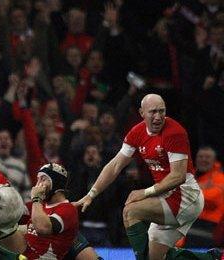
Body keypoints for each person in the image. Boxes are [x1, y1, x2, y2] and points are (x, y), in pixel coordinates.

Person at [75, 94, 221, 260]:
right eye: (153, 112)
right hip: (166, 196)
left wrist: (144, 193)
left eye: (162, 111)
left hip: (186, 197)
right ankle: (213, 258)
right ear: (141, 113)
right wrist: (91, 193)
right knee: (155, 257)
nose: (158, 117)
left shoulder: (175, 132)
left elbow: (178, 176)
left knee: (131, 211)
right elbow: (115, 165)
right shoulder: (137, 132)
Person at [13, 163, 80, 260]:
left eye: (43, 179)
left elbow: (42, 228)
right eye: (38, 179)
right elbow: (10, 214)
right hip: (23, 255)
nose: (37, 185)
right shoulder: (39, 205)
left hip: (40, 258)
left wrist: (36, 199)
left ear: (55, 184)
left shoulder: (68, 209)